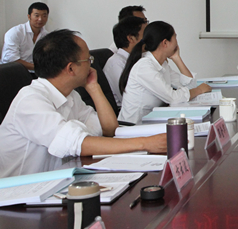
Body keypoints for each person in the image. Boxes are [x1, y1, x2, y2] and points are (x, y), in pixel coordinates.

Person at [0, 29, 166, 178]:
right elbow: (79, 144)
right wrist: (146, 143)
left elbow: (109, 129)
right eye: (88, 59)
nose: (91, 65)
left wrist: (94, 88)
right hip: (18, 194)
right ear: (71, 68)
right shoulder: (30, 101)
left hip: (56, 180)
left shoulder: (70, 95)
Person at [118, 21, 212, 124]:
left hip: (152, 120)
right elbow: (173, 98)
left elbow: (190, 86)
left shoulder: (162, 64)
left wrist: (177, 58)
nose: (177, 43)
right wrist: (198, 90)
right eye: (175, 37)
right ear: (165, 43)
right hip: (134, 126)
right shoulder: (145, 67)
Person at [103, 16, 147, 108]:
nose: (149, 39)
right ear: (131, 38)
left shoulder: (140, 58)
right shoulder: (116, 64)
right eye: (145, 34)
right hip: (128, 112)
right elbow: (130, 98)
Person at [1, 2, 50, 71]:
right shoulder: (15, 32)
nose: (40, 19)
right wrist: (38, 68)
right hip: (11, 70)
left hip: (34, 71)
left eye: (44, 16)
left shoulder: (46, 35)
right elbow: (12, 59)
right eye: (36, 15)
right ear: (29, 17)